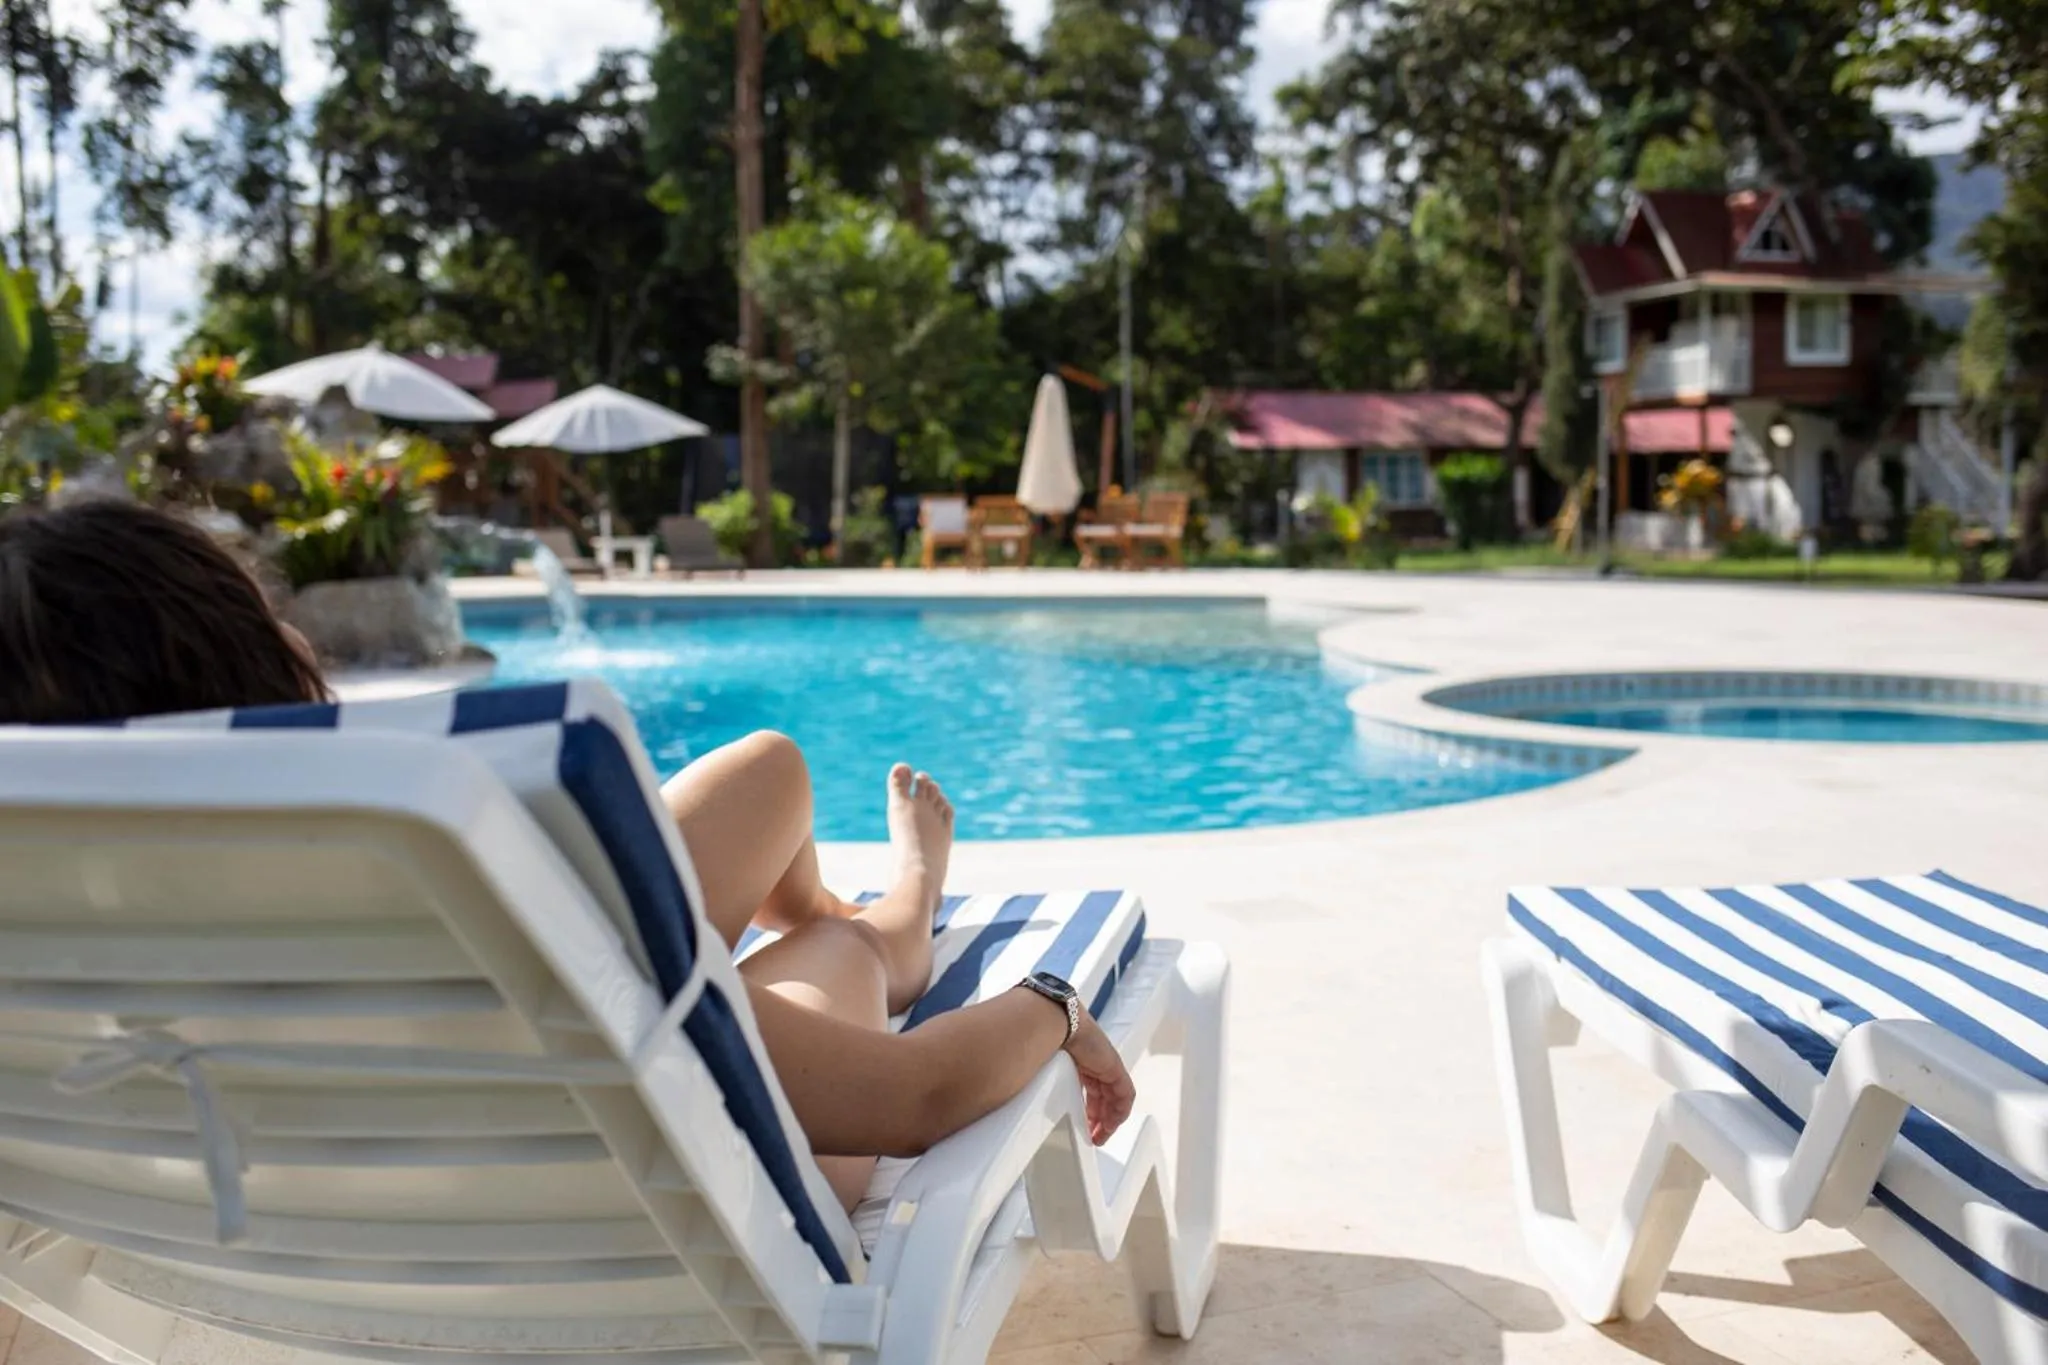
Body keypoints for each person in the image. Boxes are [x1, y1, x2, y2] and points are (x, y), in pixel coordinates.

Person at [0, 499, 1136, 1212]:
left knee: (765, 771)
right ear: (249, 666)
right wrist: (1056, 1005)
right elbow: (918, 1098)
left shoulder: (54, 941)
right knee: (831, 945)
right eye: (265, 613)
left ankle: (852, 920)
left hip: (343, 1191)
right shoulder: (432, 894)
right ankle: (897, 919)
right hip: (664, 1203)